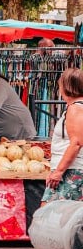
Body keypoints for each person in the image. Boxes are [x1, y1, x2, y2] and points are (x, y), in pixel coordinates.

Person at [44, 68, 83, 202]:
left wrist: (58, 172)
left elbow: (76, 143)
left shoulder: (75, 108)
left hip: (71, 171)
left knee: (50, 211)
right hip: (72, 169)